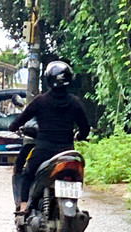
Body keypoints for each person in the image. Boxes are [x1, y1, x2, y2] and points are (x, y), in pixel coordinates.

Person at [8, 61, 91, 212]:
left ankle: (23, 209)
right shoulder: (75, 103)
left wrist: (13, 127)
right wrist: (79, 136)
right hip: (67, 153)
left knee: (27, 175)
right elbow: (85, 129)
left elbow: (21, 119)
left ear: (48, 79)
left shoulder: (41, 101)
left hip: (44, 151)